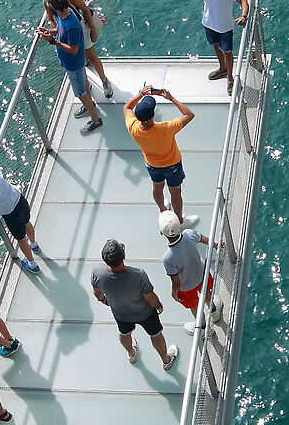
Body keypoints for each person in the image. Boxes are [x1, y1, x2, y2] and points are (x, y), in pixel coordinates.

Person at [91, 238, 174, 369]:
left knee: (124, 333)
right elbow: (149, 296)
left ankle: (131, 353)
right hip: (145, 313)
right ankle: (166, 359)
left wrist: (104, 300)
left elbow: (97, 292)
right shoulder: (138, 275)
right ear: (124, 256)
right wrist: (158, 305)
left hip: (120, 314)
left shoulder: (97, 273)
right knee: (156, 334)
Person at [159, 0, 245, 82]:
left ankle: (230, 78)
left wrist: (243, 16)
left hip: (224, 27)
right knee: (215, 46)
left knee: (227, 52)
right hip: (208, 23)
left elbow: (242, 0)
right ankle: (222, 68)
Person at [37, 0, 105, 134]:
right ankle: (89, 105)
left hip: (73, 63)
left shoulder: (72, 25)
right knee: (83, 83)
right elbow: (61, 31)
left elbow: (73, 49)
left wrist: (52, 41)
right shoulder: (66, 15)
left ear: (53, 6)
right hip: (72, 62)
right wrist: (51, 32)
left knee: (80, 92)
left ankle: (95, 119)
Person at [37, 0, 114, 99]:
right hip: (66, 31)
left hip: (82, 29)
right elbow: (51, 18)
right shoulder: (47, 1)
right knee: (80, 62)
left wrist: (93, 30)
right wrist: (58, 30)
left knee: (91, 56)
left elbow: (86, 10)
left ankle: (104, 81)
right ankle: (86, 89)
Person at [125, 84, 194, 216]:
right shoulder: (166, 128)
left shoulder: (133, 127)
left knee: (157, 187)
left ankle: (163, 210)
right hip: (173, 165)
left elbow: (127, 107)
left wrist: (140, 94)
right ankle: (179, 220)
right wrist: (171, 98)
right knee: (175, 191)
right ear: (152, 115)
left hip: (152, 165)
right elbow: (189, 114)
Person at [159, 212, 213, 334]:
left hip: (186, 288)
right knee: (207, 294)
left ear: (162, 233)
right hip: (202, 275)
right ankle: (214, 310)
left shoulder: (168, 258)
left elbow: (176, 282)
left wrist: (174, 293)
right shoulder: (189, 234)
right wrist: (215, 244)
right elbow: (204, 239)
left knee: (195, 306)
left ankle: (205, 327)